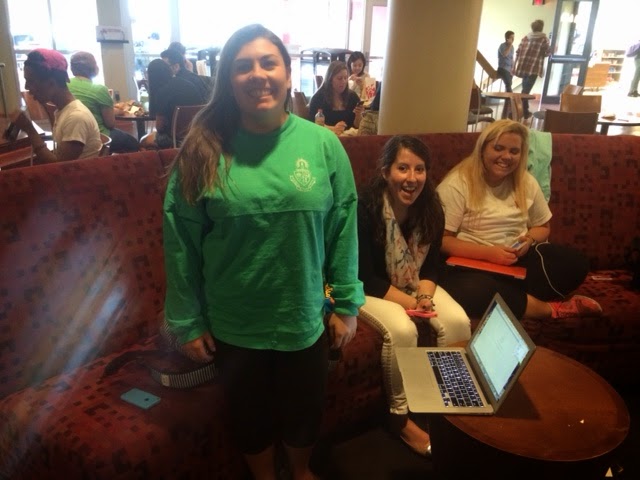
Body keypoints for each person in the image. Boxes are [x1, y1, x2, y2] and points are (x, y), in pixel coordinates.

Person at [163, 24, 364, 480]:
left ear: (288, 75)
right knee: (249, 417)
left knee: (304, 410)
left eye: (268, 63)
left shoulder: (323, 145)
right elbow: (180, 242)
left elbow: (343, 226)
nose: (257, 74)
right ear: (228, 81)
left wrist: (347, 304)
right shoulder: (202, 150)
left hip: (304, 317)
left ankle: (300, 471)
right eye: (243, 66)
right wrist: (187, 321)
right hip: (234, 323)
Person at [357, 135, 471, 457]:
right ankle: (400, 418)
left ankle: (452, 406)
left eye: (419, 169)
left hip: (413, 283)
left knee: (458, 321)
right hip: (369, 287)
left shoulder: (432, 207)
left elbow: (432, 267)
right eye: (402, 168)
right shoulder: (365, 208)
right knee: (404, 330)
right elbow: (364, 277)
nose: (411, 178)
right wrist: (413, 305)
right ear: (385, 171)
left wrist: (424, 299)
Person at [436, 119, 602, 321]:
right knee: (471, 289)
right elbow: (442, 241)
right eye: (498, 148)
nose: (506, 156)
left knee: (576, 263)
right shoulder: (456, 184)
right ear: (482, 149)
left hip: (516, 260)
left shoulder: (526, 181)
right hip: (471, 263)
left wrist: (529, 240)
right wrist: (489, 254)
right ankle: (548, 309)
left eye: (514, 151)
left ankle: (505, 295)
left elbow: (543, 227)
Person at [9, 48, 102, 163]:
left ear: (51, 83)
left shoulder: (76, 117)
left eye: (31, 81)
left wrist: (30, 129)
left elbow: (58, 167)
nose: (27, 87)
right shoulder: (63, 110)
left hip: (76, 175)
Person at [68, 51, 139, 153]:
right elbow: (110, 124)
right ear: (93, 68)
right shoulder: (99, 89)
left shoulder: (65, 86)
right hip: (98, 136)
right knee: (133, 143)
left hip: (70, 136)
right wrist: (119, 111)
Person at [139, 58, 207, 150]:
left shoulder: (161, 92)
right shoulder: (186, 83)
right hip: (197, 136)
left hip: (175, 139)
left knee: (143, 141)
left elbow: (159, 127)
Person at [308, 61, 364, 135]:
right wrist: (333, 129)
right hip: (326, 137)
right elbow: (312, 125)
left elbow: (357, 126)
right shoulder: (318, 98)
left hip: (349, 138)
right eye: (339, 78)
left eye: (345, 78)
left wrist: (358, 115)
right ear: (330, 79)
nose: (343, 81)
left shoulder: (352, 96)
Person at [513, 19, 550, 118]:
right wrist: (553, 50)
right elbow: (547, 53)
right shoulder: (544, 39)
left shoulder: (525, 38)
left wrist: (514, 66)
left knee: (525, 90)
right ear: (541, 28)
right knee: (525, 92)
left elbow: (518, 52)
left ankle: (523, 111)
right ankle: (519, 111)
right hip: (534, 68)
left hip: (523, 66)